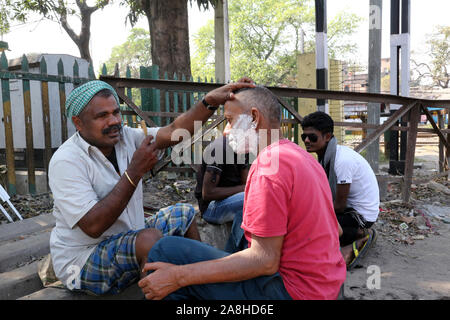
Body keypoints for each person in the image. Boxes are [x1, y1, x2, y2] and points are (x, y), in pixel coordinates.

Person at [48, 79, 255, 295]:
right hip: (83, 260)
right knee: (149, 240)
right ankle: (158, 292)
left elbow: (174, 131)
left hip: (128, 236)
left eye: (116, 112)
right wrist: (135, 172)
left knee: (182, 213)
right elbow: (93, 226)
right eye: (102, 116)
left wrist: (208, 102)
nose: (113, 121)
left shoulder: (125, 137)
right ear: (78, 123)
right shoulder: (66, 161)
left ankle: (201, 280)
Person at [138, 86, 346, 300]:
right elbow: (336, 230)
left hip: (291, 292)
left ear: (254, 118)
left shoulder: (268, 167)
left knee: (165, 251)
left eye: (229, 120)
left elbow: (264, 260)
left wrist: (179, 276)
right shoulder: (303, 158)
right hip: (327, 287)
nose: (226, 131)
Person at [301, 111, 379, 269]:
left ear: (327, 136)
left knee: (310, 230)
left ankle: (359, 235)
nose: (307, 141)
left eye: (312, 137)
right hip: (348, 210)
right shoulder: (326, 157)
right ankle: (349, 235)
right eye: (304, 137)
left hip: (359, 216)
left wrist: (309, 213)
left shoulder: (341, 160)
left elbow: (339, 206)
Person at [194, 125, 250, 253]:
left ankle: (242, 252)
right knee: (252, 197)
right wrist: (243, 188)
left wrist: (246, 187)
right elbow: (207, 194)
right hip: (211, 208)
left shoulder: (242, 149)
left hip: (228, 202)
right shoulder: (219, 149)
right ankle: (234, 252)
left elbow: (246, 182)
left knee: (252, 200)